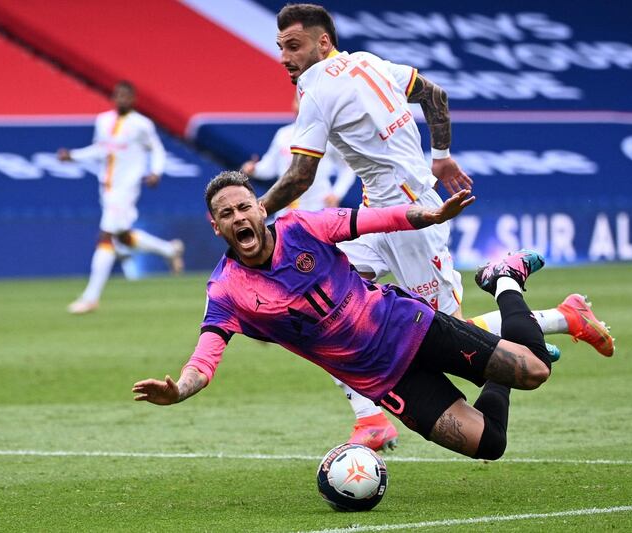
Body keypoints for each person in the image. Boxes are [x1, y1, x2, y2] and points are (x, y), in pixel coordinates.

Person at [256, 3, 614, 449]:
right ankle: (370, 419)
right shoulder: (369, 62)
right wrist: (440, 155)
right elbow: (434, 94)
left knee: (447, 334)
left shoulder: (315, 89)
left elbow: (300, 176)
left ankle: (561, 315)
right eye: (280, 48)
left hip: (413, 221)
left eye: (294, 45)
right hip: (375, 215)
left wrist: (254, 211)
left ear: (322, 42)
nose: (285, 57)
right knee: (322, 307)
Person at [132, 172, 558, 461]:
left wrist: (426, 216)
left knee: (535, 370)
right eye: (227, 214)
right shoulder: (226, 290)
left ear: (261, 210)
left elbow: (374, 218)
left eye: (244, 207)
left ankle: (505, 279)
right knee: (489, 445)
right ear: (216, 227)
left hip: (411, 326)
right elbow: (205, 357)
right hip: (385, 381)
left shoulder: (302, 227)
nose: (238, 217)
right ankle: (499, 363)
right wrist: (181, 390)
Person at [57, 80, 185, 314]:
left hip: (126, 188)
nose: (122, 100)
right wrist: (73, 156)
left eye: (126, 96)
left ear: (133, 99)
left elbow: (156, 149)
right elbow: (100, 149)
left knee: (106, 236)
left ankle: (90, 297)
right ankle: (169, 250)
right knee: (123, 238)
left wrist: (155, 171)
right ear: (114, 97)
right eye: (118, 95)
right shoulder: (103, 121)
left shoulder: (141, 125)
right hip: (106, 186)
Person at [240, 96, 356, 216]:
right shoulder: (283, 134)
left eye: (305, 102)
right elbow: (270, 167)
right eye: (297, 101)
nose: (300, 106)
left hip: (318, 209)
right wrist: (254, 169)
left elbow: (348, 167)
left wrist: (337, 193)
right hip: (285, 209)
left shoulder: (327, 135)